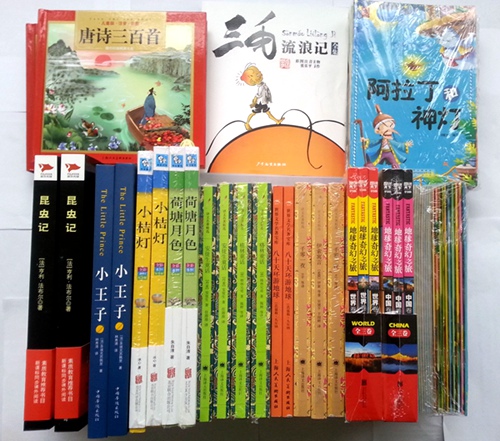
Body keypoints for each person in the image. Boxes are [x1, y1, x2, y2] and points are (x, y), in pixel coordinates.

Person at [361, 104, 412, 169]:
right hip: (381, 153)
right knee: (373, 162)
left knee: (394, 163)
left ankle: (396, 170)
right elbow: (375, 142)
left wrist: (405, 145)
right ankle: (369, 169)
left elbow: (397, 145)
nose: (389, 129)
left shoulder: (391, 141)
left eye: (390, 126)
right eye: (386, 126)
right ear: (378, 131)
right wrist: (365, 141)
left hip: (390, 153)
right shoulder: (382, 140)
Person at [240, 64, 284, 130]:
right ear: (252, 79)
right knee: (256, 113)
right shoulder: (260, 87)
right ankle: (247, 123)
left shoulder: (262, 84)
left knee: (266, 113)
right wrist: (254, 102)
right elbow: (258, 95)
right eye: (257, 75)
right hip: (261, 103)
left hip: (263, 102)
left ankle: (277, 121)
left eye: (259, 72)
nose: (261, 74)